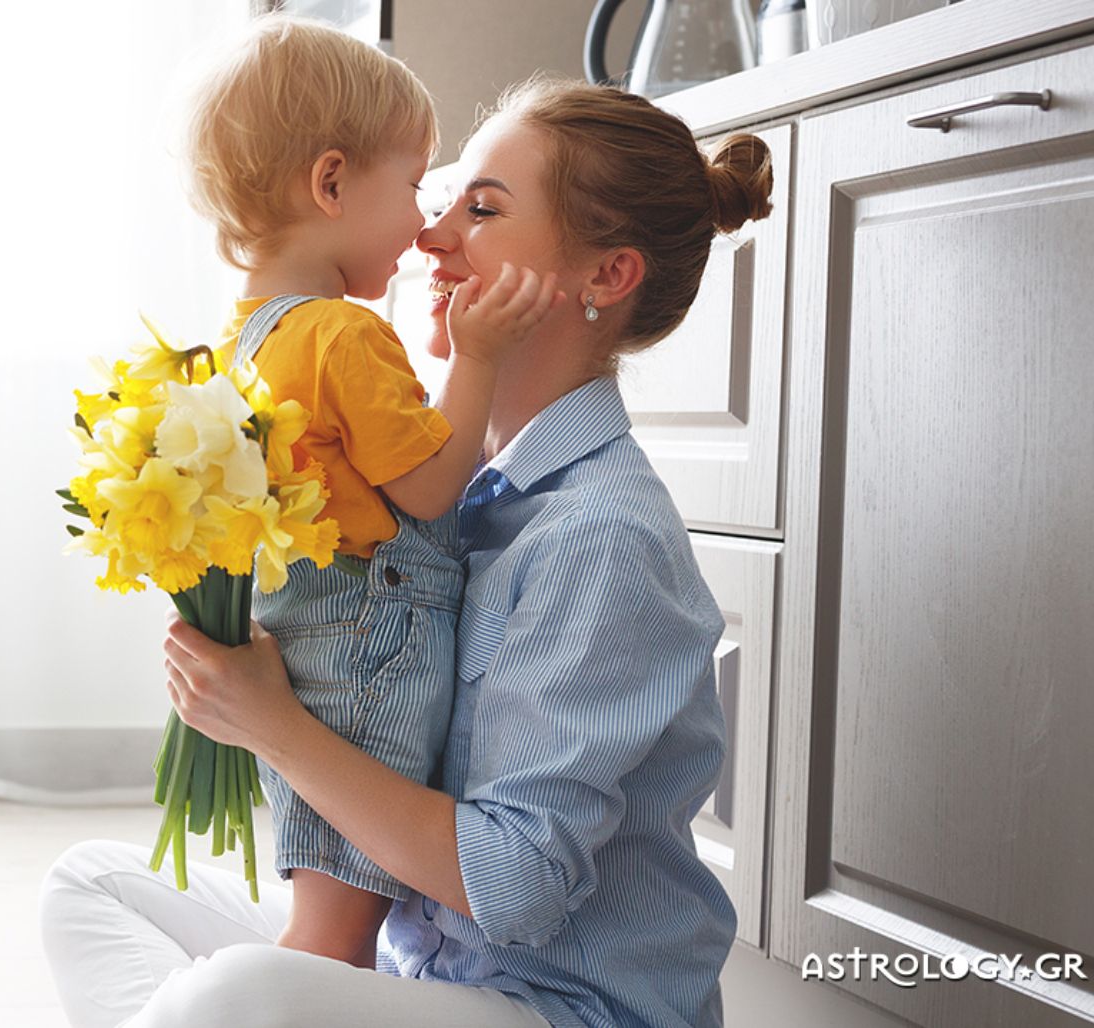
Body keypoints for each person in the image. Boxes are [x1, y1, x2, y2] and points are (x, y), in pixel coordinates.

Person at [40, 73, 773, 1028]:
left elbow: (516, 888)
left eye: (483, 208)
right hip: (422, 970)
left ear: (605, 276)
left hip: (554, 1005)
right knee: (88, 885)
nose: (431, 237)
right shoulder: (454, 488)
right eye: (442, 200)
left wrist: (273, 726)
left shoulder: (604, 536)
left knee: (230, 998)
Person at [160, 14, 560, 972]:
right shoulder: (340, 335)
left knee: (324, 912)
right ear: (331, 183)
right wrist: (477, 361)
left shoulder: (233, 340)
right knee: (335, 940)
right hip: (369, 654)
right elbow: (426, 490)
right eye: (415, 185)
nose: (426, 226)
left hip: (303, 643)